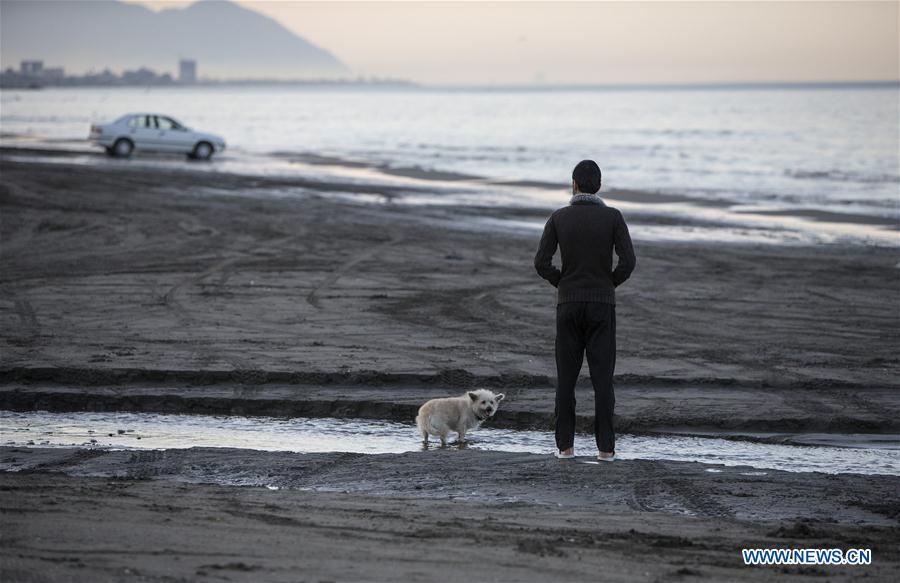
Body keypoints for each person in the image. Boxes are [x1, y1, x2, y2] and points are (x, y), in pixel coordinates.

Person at [533, 160, 636, 462]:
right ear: (599, 186)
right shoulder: (613, 217)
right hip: (602, 305)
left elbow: (541, 263)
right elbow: (628, 262)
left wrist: (562, 282)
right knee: (602, 381)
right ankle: (605, 450)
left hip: (568, 304)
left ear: (574, 185)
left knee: (566, 379)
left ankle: (565, 447)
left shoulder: (559, 217)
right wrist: (609, 283)